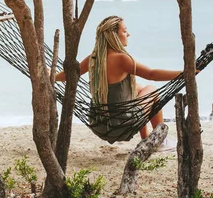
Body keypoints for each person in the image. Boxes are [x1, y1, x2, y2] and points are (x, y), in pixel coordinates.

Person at [54, 15, 183, 140]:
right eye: (125, 31)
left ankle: (145, 136)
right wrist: (184, 74)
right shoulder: (122, 59)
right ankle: (160, 140)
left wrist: (51, 75)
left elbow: (67, 76)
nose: (128, 34)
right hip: (121, 125)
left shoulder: (92, 59)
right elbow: (151, 74)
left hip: (99, 125)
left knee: (137, 88)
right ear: (114, 35)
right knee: (151, 90)